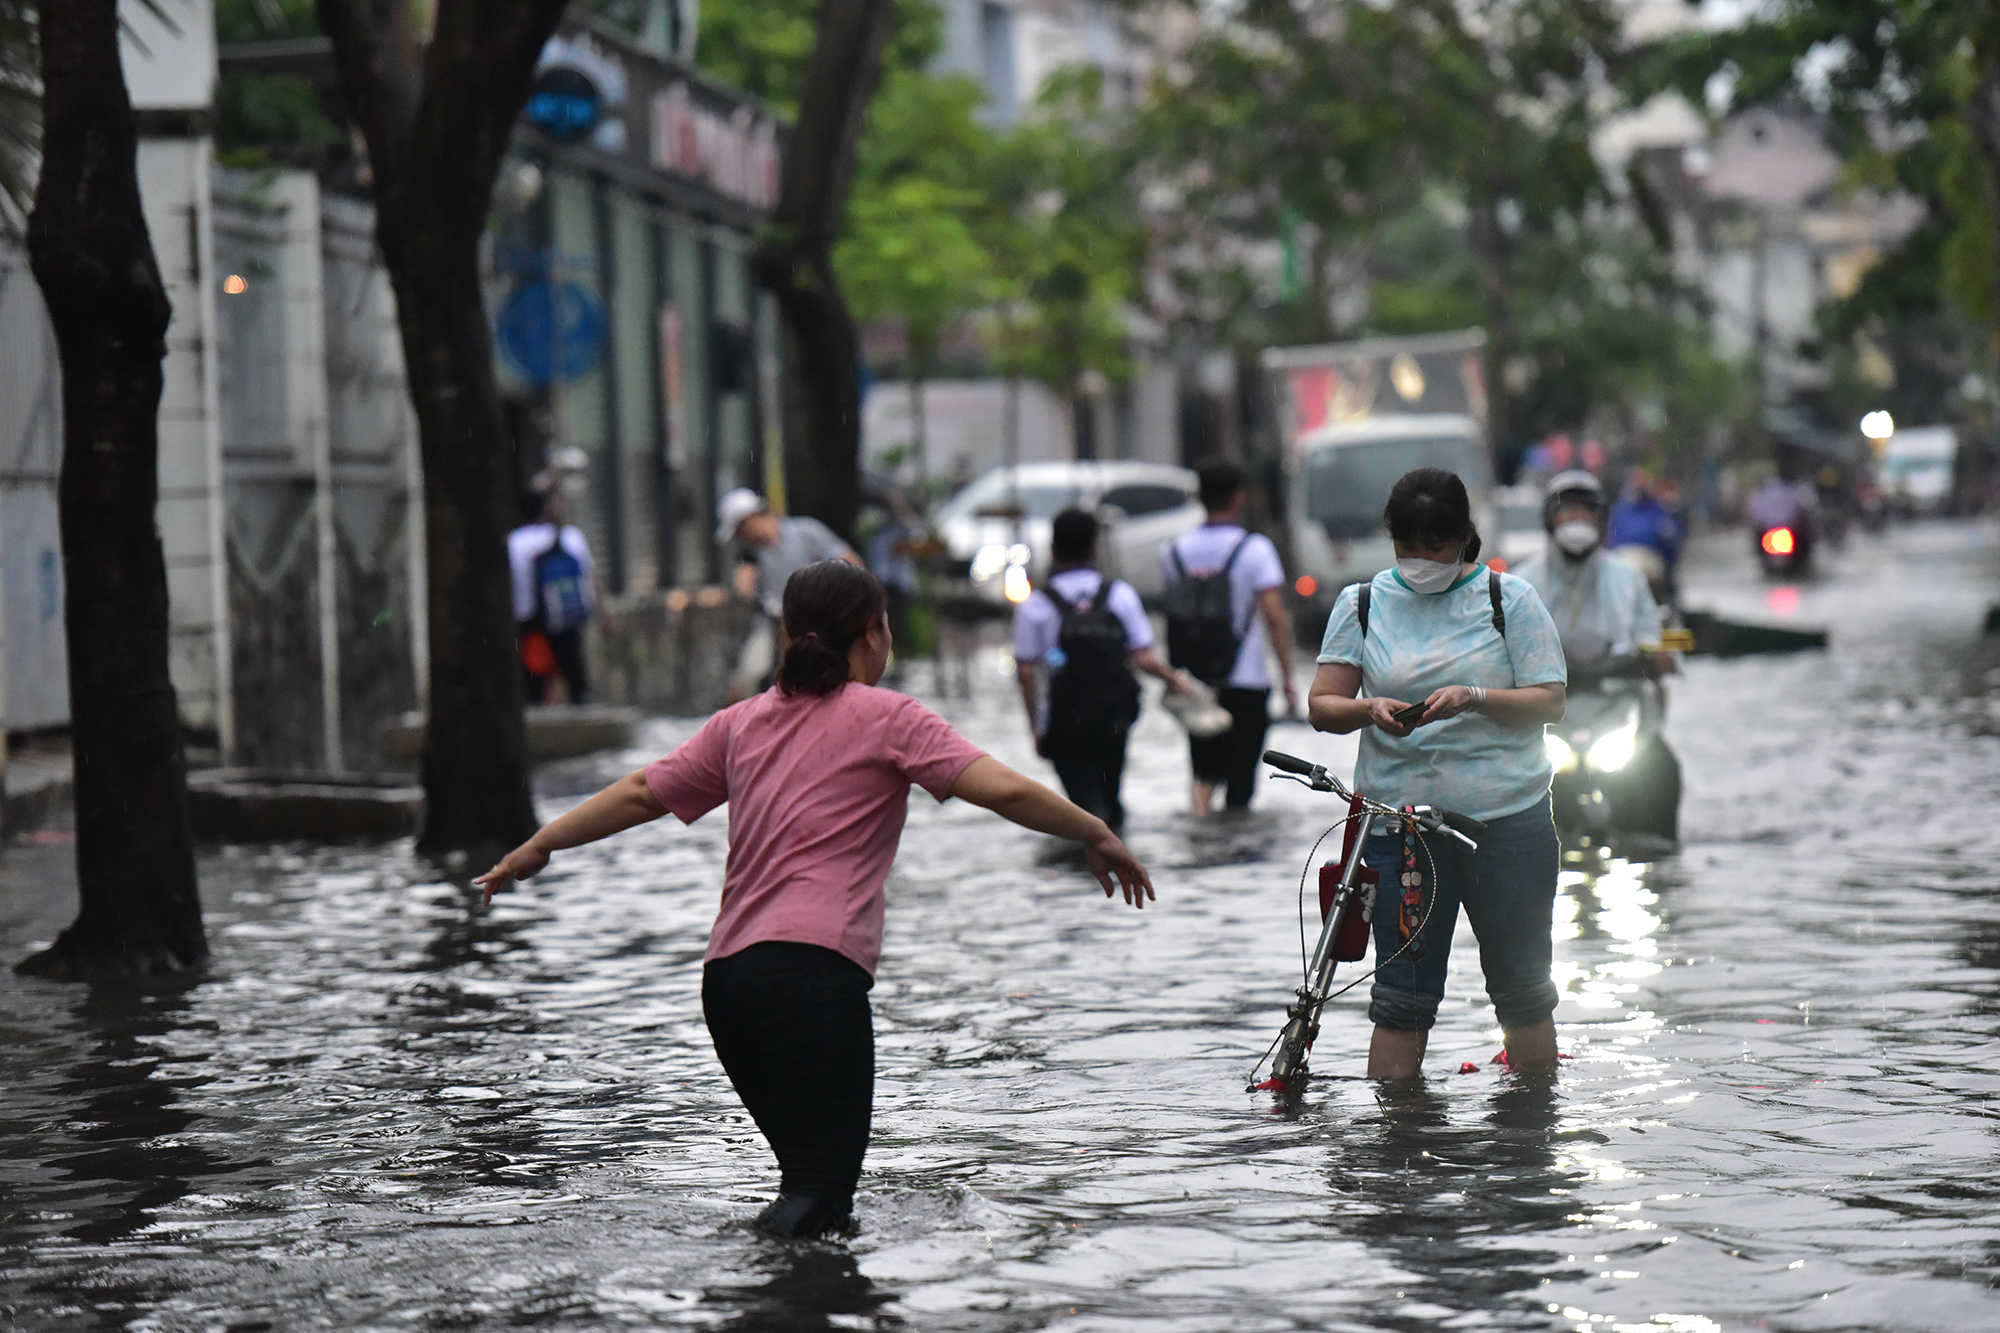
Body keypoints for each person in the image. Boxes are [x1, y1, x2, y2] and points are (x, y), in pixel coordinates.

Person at [475, 560, 1155, 1239]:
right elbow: (1003, 789)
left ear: (788, 633)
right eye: (885, 626)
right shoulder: (891, 718)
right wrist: (1096, 829)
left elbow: (639, 794)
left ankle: (775, 1304)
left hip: (729, 986)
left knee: (814, 1197)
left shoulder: (740, 722)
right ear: (870, 634)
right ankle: (740, 1282)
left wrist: (542, 843)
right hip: (812, 981)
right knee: (819, 1196)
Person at [1306, 467, 1568, 1079]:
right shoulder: (1362, 603)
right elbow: (1322, 706)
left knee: (1525, 990)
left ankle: (1530, 1140)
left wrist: (1475, 696)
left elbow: (1551, 700)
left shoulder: (1510, 600)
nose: (1423, 559)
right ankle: (1397, 1149)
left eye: (1438, 545)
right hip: (1401, 831)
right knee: (1401, 1001)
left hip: (1508, 825)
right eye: (1409, 545)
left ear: (1464, 538)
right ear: (1391, 538)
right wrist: (1367, 709)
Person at [1014, 509, 1188, 830]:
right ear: (1095, 549)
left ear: (1053, 549)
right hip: (1114, 717)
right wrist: (1178, 682)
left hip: (1065, 720)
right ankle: (1118, 850)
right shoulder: (1119, 595)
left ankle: (1090, 860)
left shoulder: (1036, 604)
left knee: (1082, 805)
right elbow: (1144, 658)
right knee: (1111, 793)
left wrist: (1036, 727)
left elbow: (1026, 671)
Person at [1158, 461, 1297, 815]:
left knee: (1203, 768)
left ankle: (1202, 834)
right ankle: (1233, 850)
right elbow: (1274, 618)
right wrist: (1288, 678)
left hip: (1194, 679)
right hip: (1246, 680)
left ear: (1199, 498)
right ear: (1238, 499)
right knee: (1240, 783)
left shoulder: (1172, 551)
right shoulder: (1255, 549)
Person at [1513, 470, 1670, 666]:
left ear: (1601, 520)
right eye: (1569, 510)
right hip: (1546, 691)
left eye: (1588, 510)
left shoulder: (1629, 577)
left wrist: (1656, 655)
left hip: (1617, 690)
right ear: (1550, 518)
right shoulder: (1522, 582)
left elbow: (1648, 635)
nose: (1579, 517)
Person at [716, 488, 861, 700]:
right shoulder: (753, 555)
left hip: (817, 622)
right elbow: (747, 592)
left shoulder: (806, 533)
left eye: (740, 532)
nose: (741, 539)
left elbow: (852, 565)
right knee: (745, 679)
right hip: (773, 622)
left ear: (750, 520)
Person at [510, 482, 615, 704]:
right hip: (566, 617)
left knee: (534, 679)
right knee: (575, 676)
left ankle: (537, 717)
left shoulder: (514, 542)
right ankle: (581, 709)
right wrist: (605, 616)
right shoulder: (570, 537)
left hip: (530, 622)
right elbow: (591, 579)